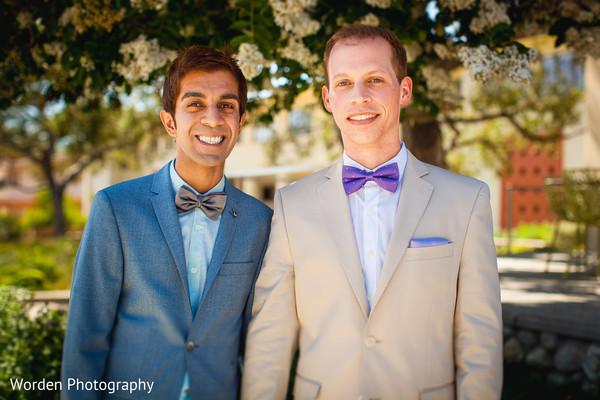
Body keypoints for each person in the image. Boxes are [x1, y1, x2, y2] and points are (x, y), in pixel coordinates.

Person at [241, 24, 502, 399]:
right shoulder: (291, 204)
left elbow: (481, 340)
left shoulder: (467, 200)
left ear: (405, 90)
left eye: (375, 79)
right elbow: (271, 337)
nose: (359, 96)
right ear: (328, 98)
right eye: (344, 83)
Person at [61, 45, 273, 400]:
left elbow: (256, 342)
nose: (212, 118)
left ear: (241, 120)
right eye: (194, 104)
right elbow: (86, 337)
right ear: (170, 122)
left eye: (226, 105)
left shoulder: (260, 221)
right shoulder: (115, 208)